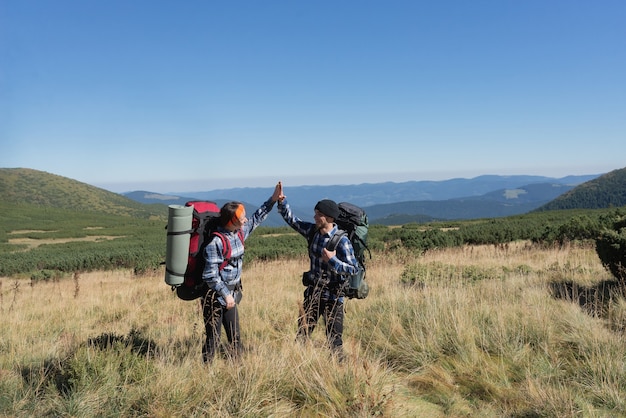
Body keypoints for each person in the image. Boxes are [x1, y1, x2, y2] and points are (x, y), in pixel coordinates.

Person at [201, 182, 282, 362]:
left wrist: (273, 199)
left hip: (232, 292)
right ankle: (206, 372)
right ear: (232, 221)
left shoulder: (239, 233)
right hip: (214, 296)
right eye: (241, 217)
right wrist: (225, 294)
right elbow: (210, 275)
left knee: (235, 336)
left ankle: (238, 369)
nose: (245, 219)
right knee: (213, 337)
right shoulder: (216, 242)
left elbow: (257, 217)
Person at [277, 185, 359, 360]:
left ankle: (340, 375)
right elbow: (293, 221)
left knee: (334, 341)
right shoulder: (313, 232)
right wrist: (282, 203)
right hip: (313, 293)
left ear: (328, 217)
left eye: (318, 214)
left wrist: (333, 261)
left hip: (334, 298)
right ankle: (297, 367)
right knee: (302, 334)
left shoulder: (342, 241)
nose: (314, 217)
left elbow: (354, 268)